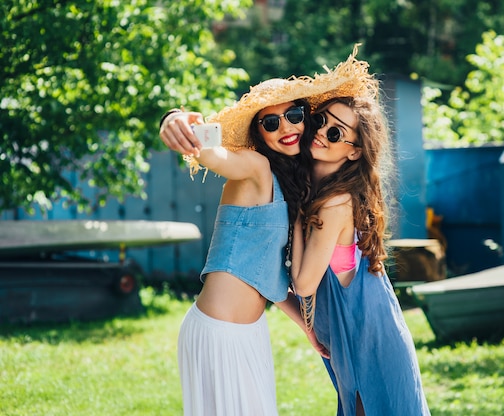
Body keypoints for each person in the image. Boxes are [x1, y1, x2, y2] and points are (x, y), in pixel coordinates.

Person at [158, 47, 377, 416]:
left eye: (293, 115)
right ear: (259, 134)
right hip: (219, 333)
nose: (287, 127)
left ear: (307, 118)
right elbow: (214, 155)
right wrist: (176, 120)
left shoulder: (290, 187)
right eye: (271, 123)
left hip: (249, 333)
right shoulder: (256, 167)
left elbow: (266, 276)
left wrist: (306, 327)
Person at [289, 94, 431, 415]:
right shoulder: (320, 193)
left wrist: (295, 210)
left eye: (335, 132)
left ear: (354, 151)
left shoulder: (334, 203)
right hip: (352, 338)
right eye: (319, 121)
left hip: (370, 343)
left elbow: (303, 284)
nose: (321, 133)